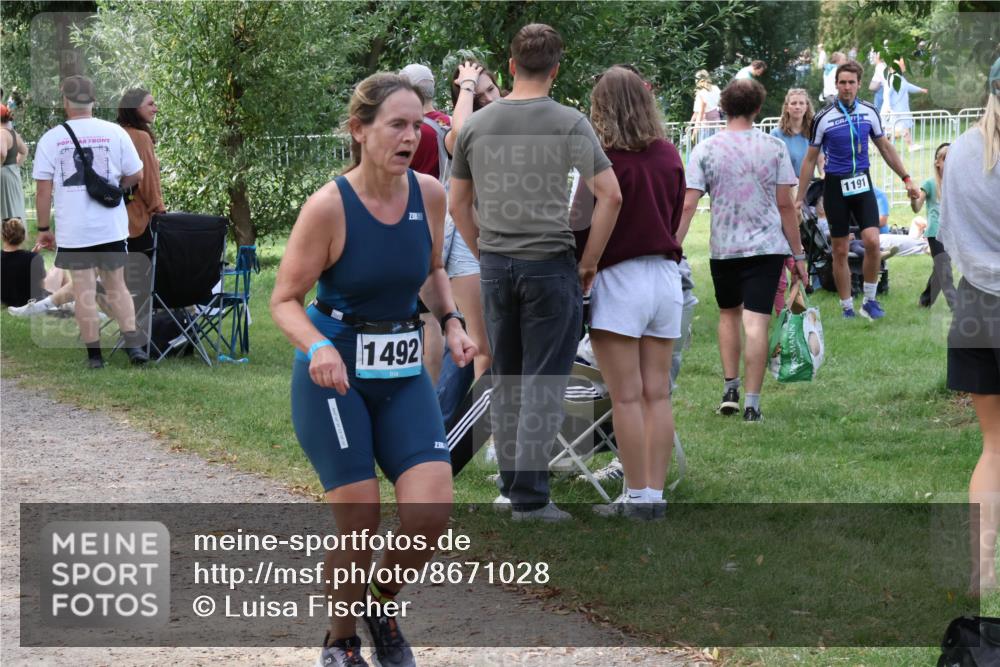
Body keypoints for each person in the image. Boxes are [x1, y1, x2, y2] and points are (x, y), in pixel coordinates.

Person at [270, 72, 476, 667]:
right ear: (359, 131)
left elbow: (431, 270)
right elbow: (284, 299)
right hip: (334, 377)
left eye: (417, 125)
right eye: (397, 125)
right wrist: (318, 347)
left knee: (431, 511)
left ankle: (380, 604)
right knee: (359, 518)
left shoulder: (430, 195)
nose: (411, 136)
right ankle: (339, 640)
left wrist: (453, 321)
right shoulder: (329, 206)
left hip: (402, 368)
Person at [449, 23, 622, 521]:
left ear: (509, 66)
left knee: (506, 376)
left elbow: (459, 202)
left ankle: (511, 484)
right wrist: (589, 261)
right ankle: (529, 498)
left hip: (497, 265)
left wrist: (483, 249)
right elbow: (610, 194)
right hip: (549, 264)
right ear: (555, 68)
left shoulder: (476, 127)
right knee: (544, 381)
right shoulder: (568, 122)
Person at [570, 66, 684, 519]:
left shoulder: (601, 159)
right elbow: (676, 211)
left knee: (626, 396)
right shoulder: (669, 154)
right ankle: (653, 496)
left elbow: (579, 222)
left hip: (618, 278)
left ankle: (636, 497)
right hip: (665, 276)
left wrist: (585, 264)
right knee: (658, 393)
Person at [677, 78, 807, 422]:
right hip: (768, 248)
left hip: (724, 248)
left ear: (725, 107)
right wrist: (799, 253)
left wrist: (672, 245)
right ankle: (752, 403)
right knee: (757, 323)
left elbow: (688, 204)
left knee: (728, 315)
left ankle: (730, 388)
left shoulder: (705, 149)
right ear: (757, 109)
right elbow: (786, 206)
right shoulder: (773, 147)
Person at [32, 75, 148, 368]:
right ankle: (135, 348)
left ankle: (94, 357)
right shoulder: (115, 132)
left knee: (83, 290)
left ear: (65, 102)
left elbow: (43, 190)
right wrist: (117, 190)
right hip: (109, 225)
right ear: (94, 101)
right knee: (117, 286)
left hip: (75, 228)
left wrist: (44, 229)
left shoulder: (51, 138)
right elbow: (137, 174)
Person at [937, 57, 1000, 594]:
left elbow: (948, 233)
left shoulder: (957, 151)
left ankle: (981, 571)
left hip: (978, 305)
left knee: (993, 447)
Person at [795, 60, 920, 321]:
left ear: (859, 84)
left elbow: (885, 147)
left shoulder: (869, 111)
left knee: (873, 242)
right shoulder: (823, 118)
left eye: (851, 82)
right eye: (842, 82)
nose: (847, 87)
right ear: (836, 85)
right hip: (835, 186)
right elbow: (809, 160)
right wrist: (799, 199)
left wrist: (906, 177)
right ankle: (847, 307)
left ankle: (870, 300)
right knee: (839, 250)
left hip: (862, 183)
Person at [434, 58, 504, 429]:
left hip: (504, 240)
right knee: (483, 346)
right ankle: (483, 436)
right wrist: (467, 85)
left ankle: (443, 421)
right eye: (481, 96)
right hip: (467, 242)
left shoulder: (509, 124)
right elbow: (461, 132)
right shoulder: (456, 136)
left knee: (479, 345)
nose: (491, 99)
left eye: (493, 89)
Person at [770, 88, 818, 313]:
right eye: (794, 103)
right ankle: (782, 305)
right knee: (788, 244)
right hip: (784, 193)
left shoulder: (813, 133)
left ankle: (796, 300)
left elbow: (821, 162)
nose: (798, 107)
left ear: (807, 107)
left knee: (801, 244)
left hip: (808, 193)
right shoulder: (776, 135)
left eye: (801, 103)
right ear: (787, 107)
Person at [116, 88, 165, 253]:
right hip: (138, 222)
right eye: (150, 104)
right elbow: (148, 180)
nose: (155, 108)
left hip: (114, 219)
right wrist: (159, 209)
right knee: (144, 276)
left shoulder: (116, 134)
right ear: (135, 108)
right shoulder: (141, 137)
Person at [913, 143, 956, 309]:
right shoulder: (930, 184)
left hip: (952, 233)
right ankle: (957, 305)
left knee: (940, 269)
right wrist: (912, 198)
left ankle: (925, 301)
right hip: (935, 233)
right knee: (944, 269)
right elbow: (916, 207)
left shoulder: (956, 184)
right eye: (945, 158)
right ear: (937, 162)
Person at [884, 70, 928, 153]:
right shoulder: (892, 77)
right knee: (901, 128)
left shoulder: (900, 78)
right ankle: (910, 145)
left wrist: (920, 89)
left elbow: (908, 86)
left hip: (902, 108)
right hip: (896, 109)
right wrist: (888, 106)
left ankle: (883, 146)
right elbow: (887, 93)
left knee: (896, 130)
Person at [0, 104, 28, 221]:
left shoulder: (1, 133)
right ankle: (17, 236)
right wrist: (16, 165)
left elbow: (2, 153)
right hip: (13, 174)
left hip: (4, 176)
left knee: (7, 212)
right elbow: (25, 151)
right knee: (15, 209)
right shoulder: (12, 132)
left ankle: (9, 236)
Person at [689, 70, 722, 143]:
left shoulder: (701, 93)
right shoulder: (716, 88)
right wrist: (690, 124)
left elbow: (700, 113)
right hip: (717, 122)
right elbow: (697, 112)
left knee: (706, 149)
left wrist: (694, 132)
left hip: (706, 125)